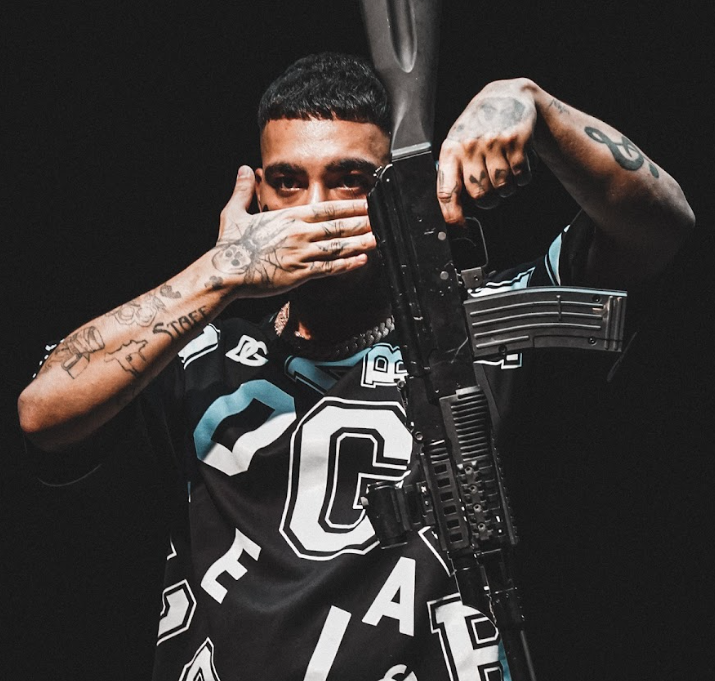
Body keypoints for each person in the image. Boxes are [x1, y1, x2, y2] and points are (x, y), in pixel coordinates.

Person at [18, 52, 694, 680]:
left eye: (349, 180)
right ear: (257, 196)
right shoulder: (201, 357)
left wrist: (534, 105)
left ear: (398, 189)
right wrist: (219, 273)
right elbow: (42, 412)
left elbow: (661, 225)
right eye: (289, 182)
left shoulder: (473, 333)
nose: (316, 208)